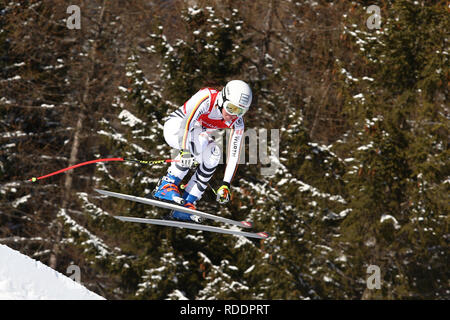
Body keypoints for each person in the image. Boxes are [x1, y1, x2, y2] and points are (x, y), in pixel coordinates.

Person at [150, 80, 252, 223]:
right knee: (202, 139)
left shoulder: (237, 123)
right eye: (231, 108)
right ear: (223, 99)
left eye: (240, 111)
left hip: (195, 137)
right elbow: (187, 122)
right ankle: (166, 184)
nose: (233, 115)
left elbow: (234, 154)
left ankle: (186, 204)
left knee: (214, 154)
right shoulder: (207, 98)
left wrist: (226, 184)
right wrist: (185, 151)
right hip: (175, 128)